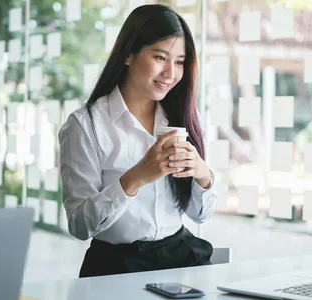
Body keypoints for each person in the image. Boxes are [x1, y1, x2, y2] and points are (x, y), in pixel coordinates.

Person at [58, 4, 218, 278]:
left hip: (181, 258)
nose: (171, 72)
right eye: (160, 57)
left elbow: (200, 214)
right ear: (129, 54)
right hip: (114, 267)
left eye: (179, 62)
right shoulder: (85, 125)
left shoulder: (184, 118)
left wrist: (203, 175)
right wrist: (136, 178)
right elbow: (79, 225)